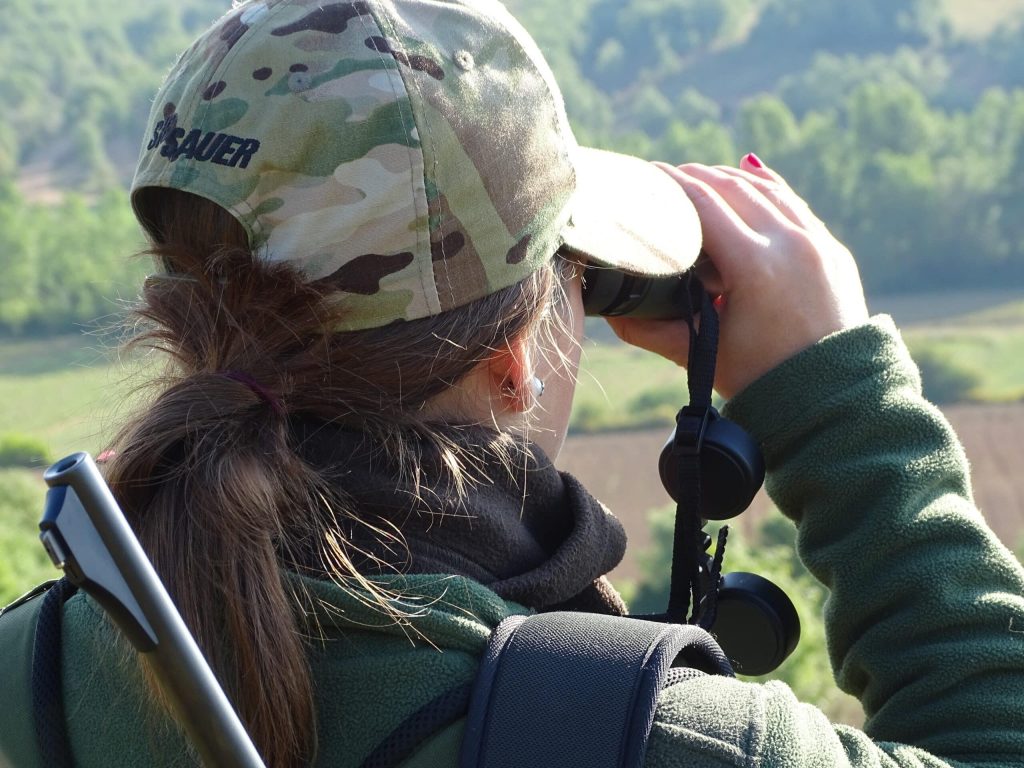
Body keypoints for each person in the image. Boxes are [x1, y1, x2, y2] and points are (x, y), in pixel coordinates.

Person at [2, 0, 1023, 766]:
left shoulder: (36, 672)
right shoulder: (658, 739)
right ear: (512, 364)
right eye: (572, 275)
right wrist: (839, 403)